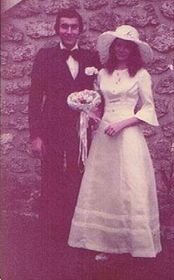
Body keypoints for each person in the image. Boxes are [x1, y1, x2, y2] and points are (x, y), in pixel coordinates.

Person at [68, 25, 162, 258]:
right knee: (104, 186)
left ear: (133, 50)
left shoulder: (141, 75)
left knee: (129, 185)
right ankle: (104, 243)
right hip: (103, 135)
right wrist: (90, 112)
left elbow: (148, 109)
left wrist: (121, 124)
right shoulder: (102, 74)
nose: (122, 50)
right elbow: (100, 104)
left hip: (126, 135)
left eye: (127, 46)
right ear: (113, 48)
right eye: (118, 45)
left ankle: (134, 242)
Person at [28, 8, 100, 243]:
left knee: (78, 175)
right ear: (57, 29)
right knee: (51, 177)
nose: (69, 31)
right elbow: (35, 98)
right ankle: (49, 232)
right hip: (51, 129)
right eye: (64, 26)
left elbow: (99, 92)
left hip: (80, 129)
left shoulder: (91, 58)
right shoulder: (44, 56)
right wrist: (35, 136)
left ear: (80, 29)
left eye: (73, 26)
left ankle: (76, 229)